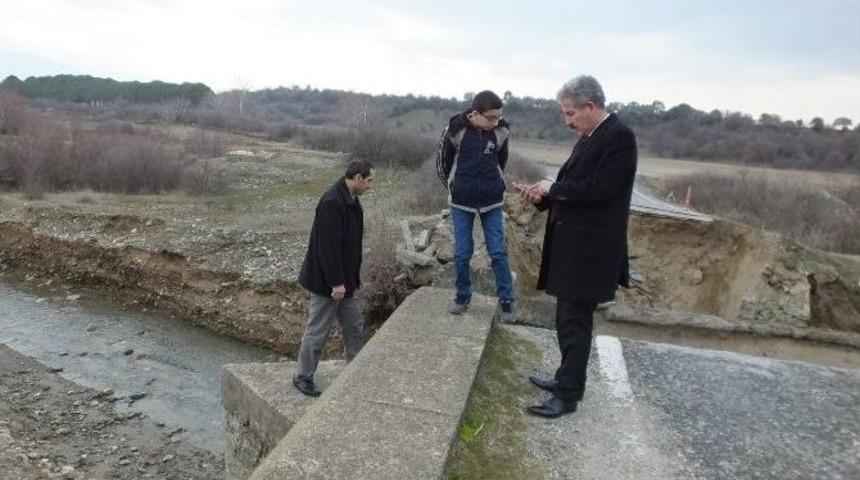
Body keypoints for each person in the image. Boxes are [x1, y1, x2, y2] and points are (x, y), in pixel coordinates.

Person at [520, 75, 637, 418]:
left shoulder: (619, 138)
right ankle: (565, 379)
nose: (567, 121)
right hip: (573, 246)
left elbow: (599, 189)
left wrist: (552, 190)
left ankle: (568, 395)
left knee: (575, 322)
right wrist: (542, 197)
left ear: (591, 106)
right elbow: (574, 187)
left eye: (571, 114)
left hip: (591, 251)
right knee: (566, 318)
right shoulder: (589, 137)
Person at [293, 159, 376, 397]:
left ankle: (356, 372)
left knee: (354, 327)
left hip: (346, 281)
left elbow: (350, 246)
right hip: (328, 283)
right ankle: (302, 376)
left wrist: (349, 281)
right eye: (369, 180)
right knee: (317, 330)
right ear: (358, 178)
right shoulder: (332, 202)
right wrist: (337, 283)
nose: (370, 186)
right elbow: (327, 248)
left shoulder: (352, 200)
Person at [435, 90, 516, 322]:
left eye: (499, 117)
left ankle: (507, 301)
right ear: (475, 113)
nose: (496, 121)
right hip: (461, 202)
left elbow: (501, 162)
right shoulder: (455, 131)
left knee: (498, 253)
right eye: (491, 117)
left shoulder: (501, 132)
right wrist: (454, 187)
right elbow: (442, 164)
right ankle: (462, 297)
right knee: (462, 254)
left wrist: (496, 183)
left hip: (492, 201)